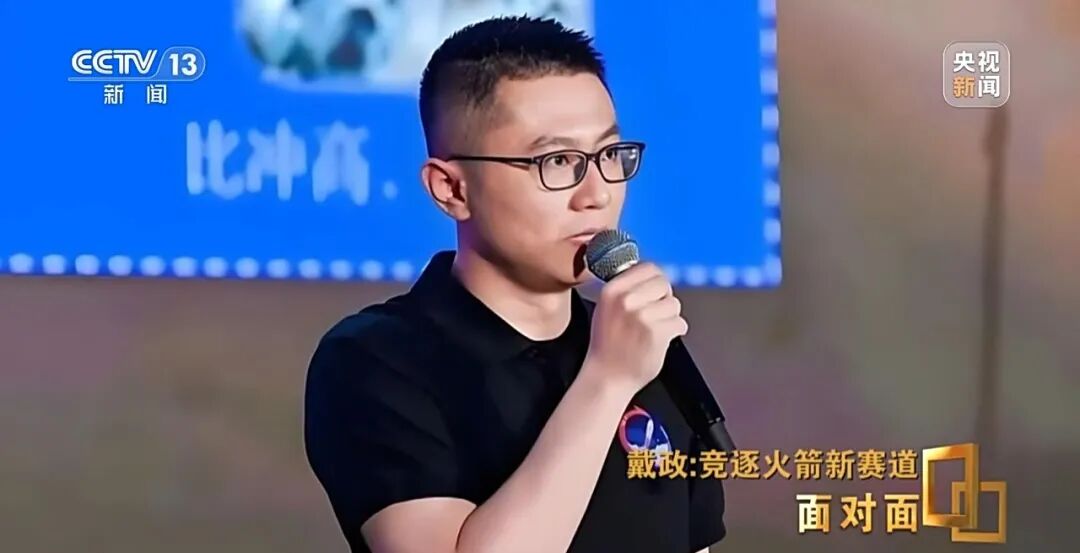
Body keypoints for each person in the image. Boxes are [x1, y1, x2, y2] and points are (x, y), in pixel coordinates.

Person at [304, 15, 726, 553]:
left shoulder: (641, 350)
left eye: (608, 155)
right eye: (558, 161)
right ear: (451, 189)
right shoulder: (375, 360)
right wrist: (607, 381)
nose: (596, 194)